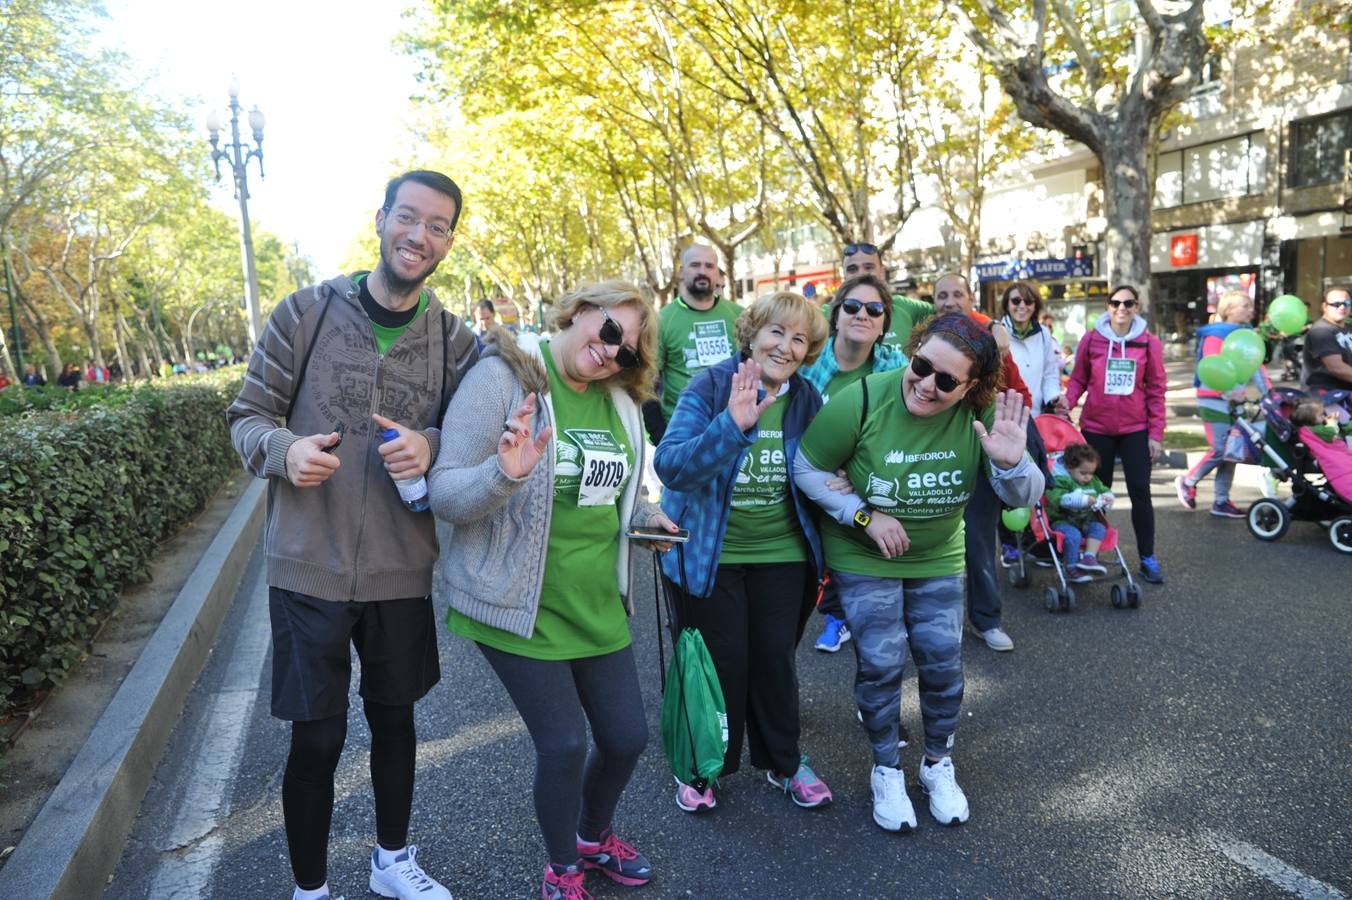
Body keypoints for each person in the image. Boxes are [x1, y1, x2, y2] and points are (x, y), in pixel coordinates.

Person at [226, 169, 478, 900]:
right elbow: (247, 417)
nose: (419, 235)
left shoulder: (453, 341)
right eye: (408, 217)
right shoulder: (304, 313)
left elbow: (473, 439)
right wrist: (284, 451)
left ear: (449, 242)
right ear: (381, 219)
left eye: (436, 226)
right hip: (308, 567)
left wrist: (431, 443)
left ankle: (391, 862)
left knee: (396, 723)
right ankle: (310, 890)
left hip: (402, 569)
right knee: (317, 739)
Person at [429, 280, 673, 900]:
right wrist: (503, 475)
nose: (614, 353)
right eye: (610, 330)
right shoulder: (502, 379)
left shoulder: (618, 401)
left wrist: (647, 522)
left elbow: (623, 494)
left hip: (597, 599)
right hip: (517, 599)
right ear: (582, 311)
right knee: (564, 743)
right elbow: (447, 493)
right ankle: (562, 866)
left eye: (629, 351)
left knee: (626, 739)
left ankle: (594, 837)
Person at [794, 314, 1044, 831]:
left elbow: (1024, 497)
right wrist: (863, 515)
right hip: (864, 555)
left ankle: (936, 764)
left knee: (942, 666)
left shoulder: (987, 415)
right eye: (922, 366)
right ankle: (886, 769)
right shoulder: (863, 399)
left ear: (972, 388)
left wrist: (1011, 464)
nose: (927, 385)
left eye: (947, 380)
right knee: (882, 664)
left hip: (937, 556)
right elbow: (806, 467)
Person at [655, 290, 832, 815]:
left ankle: (784, 762)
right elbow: (672, 466)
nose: (786, 345)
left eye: (799, 338)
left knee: (775, 660)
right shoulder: (710, 385)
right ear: (751, 333)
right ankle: (702, 767)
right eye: (776, 331)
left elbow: (821, 469)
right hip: (713, 555)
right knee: (722, 663)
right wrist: (732, 426)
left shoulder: (805, 398)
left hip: (783, 553)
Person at [798, 274, 908, 653]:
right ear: (836, 315)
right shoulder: (807, 362)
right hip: (808, 482)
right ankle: (835, 613)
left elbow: (907, 429)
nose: (863, 314)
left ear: (883, 325)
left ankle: (865, 631)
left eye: (874, 309)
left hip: (868, 484)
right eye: (852, 306)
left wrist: (856, 471)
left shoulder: (897, 367)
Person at [931, 272, 1036, 652]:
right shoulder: (924, 340)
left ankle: (986, 619)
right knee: (924, 542)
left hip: (979, 451)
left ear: (970, 297)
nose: (949, 301)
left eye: (957, 294)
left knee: (978, 541)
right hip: (930, 453)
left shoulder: (990, 340)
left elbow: (1020, 391)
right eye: (941, 295)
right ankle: (934, 624)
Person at [1064, 284, 1167, 585]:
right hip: (1097, 428)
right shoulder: (1092, 340)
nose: (1121, 308)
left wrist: (1156, 434)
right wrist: (1065, 404)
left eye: (1129, 303)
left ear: (1137, 307)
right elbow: (1079, 379)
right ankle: (1087, 555)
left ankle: (1147, 558)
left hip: (1135, 429)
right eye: (1115, 303)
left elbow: (1157, 391)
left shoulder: (1149, 343)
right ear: (1107, 306)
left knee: (1140, 491)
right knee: (1095, 494)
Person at [1175, 290, 1271, 518]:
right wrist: (1228, 391)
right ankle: (1188, 481)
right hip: (1213, 399)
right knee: (1220, 449)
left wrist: (1271, 394)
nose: (1251, 310)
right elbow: (1211, 368)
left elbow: (1257, 367)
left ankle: (1221, 501)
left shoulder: (1248, 336)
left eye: (1250, 306)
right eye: (1245, 306)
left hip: (1236, 401)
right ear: (1228, 310)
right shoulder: (1216, 335)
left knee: (1233, 451)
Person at [646, 244, 743, 443]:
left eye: (709, 266)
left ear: (717, 273)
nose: (702, 271)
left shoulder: (740, 316)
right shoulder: (662, 320)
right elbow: (648, 384)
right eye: (695, 265)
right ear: (681, 273)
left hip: (733, 430)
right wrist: (661, 436)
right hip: (682, 433)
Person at [1046, 443, 1115, 582]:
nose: (1087, 477)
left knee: (1099, 527)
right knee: (1073, 535)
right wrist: (1082, 500)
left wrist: (1107, 498)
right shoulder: (1062, 481)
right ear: (1070, 468)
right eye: (1083, 473)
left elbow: (1105, 490)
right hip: (1063, 520)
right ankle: (1071, 566)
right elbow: (1059, 498)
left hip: (1086, 520)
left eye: (1091, 473)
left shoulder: (1093, 481)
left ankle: (1089, 557)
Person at [1301, 285, 1352, 394]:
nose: (1342, 307)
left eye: (1346, 303)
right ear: (1324, 307)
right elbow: (1337, 368)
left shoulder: (1349, 327)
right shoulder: (1321, 331)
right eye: (1336, 304)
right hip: (1325, 397)